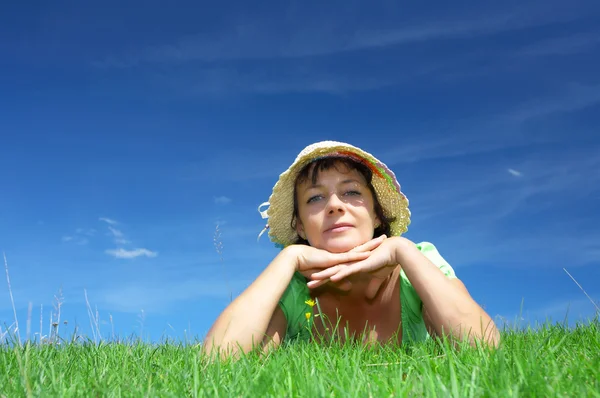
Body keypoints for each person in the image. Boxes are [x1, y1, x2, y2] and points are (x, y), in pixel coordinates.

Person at [203, 141, 500, 358]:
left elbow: (484, 350)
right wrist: (289, 257)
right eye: (315, 198)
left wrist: (403, 251)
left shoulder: (417, 266)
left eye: (352, 192)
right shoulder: (294, 290)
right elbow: (217, 362)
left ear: (376, 216)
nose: (334, 205)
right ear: (301, 227)